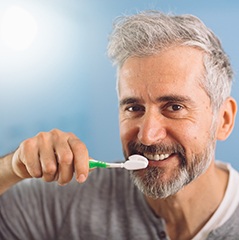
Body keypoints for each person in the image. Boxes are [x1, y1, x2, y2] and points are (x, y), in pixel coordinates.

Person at [0, 10, 238, 240]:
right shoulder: (67, 199)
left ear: (224, 120)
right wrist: (11, 168)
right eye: (134, 108)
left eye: (174, 107)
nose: (147, 136)